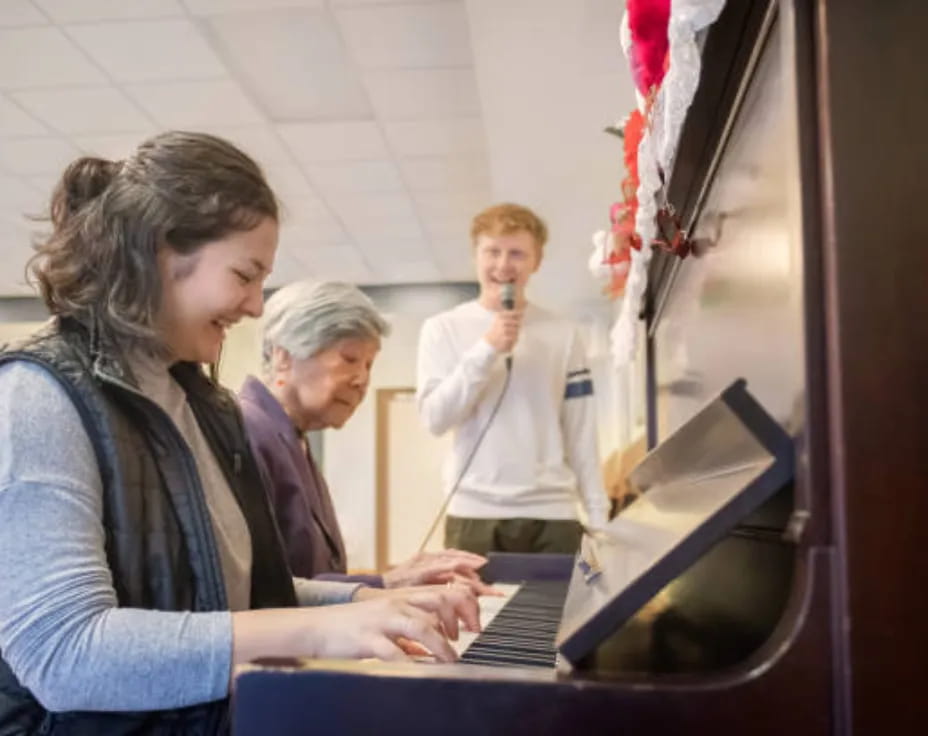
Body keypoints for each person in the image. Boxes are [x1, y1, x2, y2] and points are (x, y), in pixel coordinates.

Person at [0, 131, 477, 734]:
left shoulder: (201, 404)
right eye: (245, 274)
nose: (255, 305)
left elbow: (235, 600)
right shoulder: (38, 395)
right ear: (159, 252)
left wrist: (367, 604)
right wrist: (325, 628)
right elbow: (63, 653)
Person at [239, 279, 492, 590]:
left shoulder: (292, 437)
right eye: (349, 359)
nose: (361, 380)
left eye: (369, 365)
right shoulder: (249, 432)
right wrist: (386, 583)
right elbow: (260, 593)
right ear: (284, 357)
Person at [416, 203, 610, 556]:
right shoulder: (441, 329)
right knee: (474, 612)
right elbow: (435, 419)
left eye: (517, 254)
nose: (503, 265)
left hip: (552, 511)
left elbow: (581, 431)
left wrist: (598, 517)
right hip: (473, 512)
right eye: (493, 252)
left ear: (536, 262)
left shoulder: (564, 334)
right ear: (476, 256)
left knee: (561, 612)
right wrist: (487, 348)